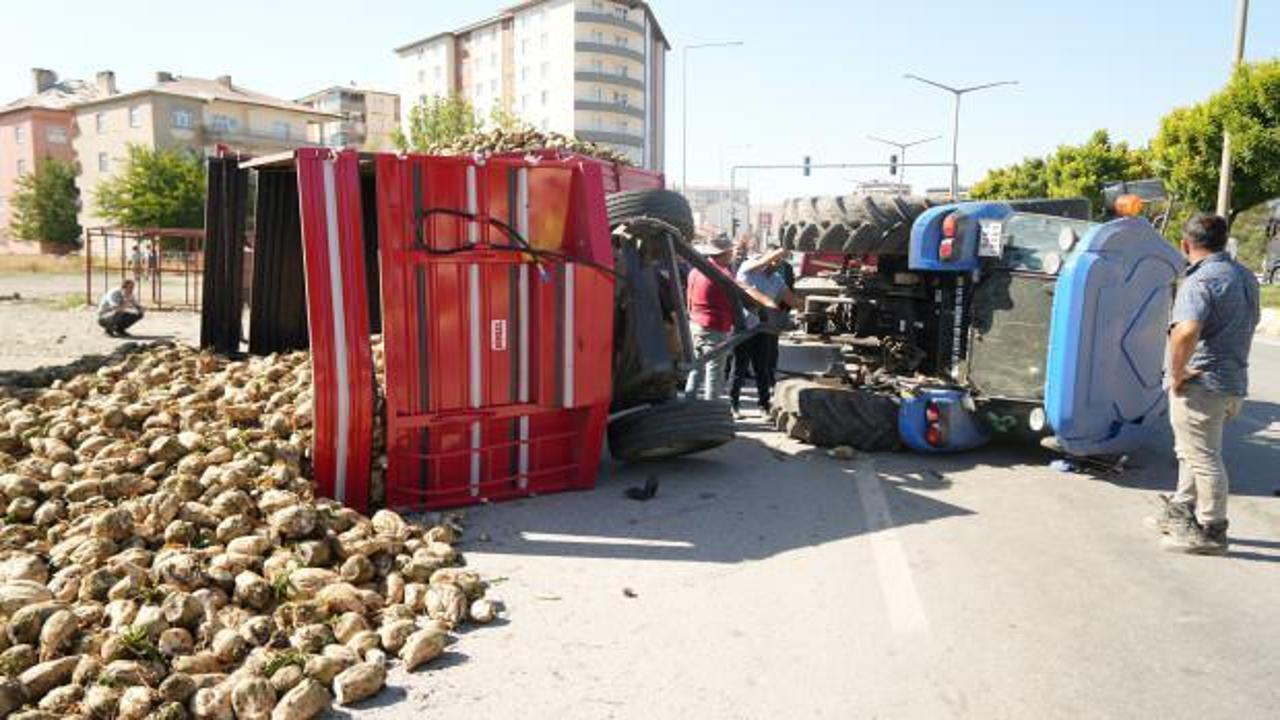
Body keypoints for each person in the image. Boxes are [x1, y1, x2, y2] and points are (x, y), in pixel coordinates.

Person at [1151, 213, 1260, 555]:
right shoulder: (1243, 276)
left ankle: (1213, 529)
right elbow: (1252, 320)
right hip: (1232, 380)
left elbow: (1185, 330)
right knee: (1192, 451)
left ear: (1185, 245)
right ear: (1224, 242)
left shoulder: (1200, 281)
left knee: (1204, 457)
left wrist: (1178, 371)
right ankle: (1181, 510)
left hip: (1202, 384)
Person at [731, 246, 801, 417]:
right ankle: (733, 405)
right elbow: (763, 262)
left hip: (765, 328)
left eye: (780, 261)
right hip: (745, 327)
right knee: (739, 368)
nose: (776, 264)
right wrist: (786, 246)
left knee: (762, 368)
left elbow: (791, 300)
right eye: (774, 259)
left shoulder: (776, 279)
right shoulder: (748, 268)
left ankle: (763, 405)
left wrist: (807, 305)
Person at [684, 235, 736, 400]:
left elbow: (689, 297)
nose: (732, 256)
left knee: (696, 369)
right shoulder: (722, 274)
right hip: (715, 326)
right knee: (714, 373)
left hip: (696, 324)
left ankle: (688, 405)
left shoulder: (695, 271)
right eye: (730, 252)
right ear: (724, 254)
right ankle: (712, 412)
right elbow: (733, 301)